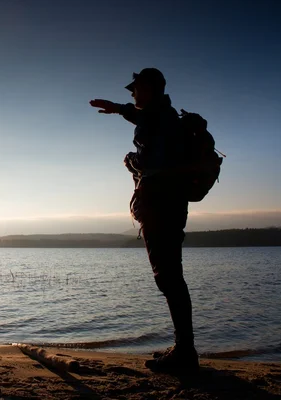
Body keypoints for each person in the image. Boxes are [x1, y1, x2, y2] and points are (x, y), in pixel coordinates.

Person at [89, 68, 199, 373]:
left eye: (134, 89)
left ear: (149, 88)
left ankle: (185, 353)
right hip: (166, 206)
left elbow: (155, 162)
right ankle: (184, 348)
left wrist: (133, 162)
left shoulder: (161, 118)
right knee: (170, 277)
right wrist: (119, 109)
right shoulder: (162, 116)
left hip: (162, 207)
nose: (132, 94)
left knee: (168, 278)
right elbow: (143, 118)